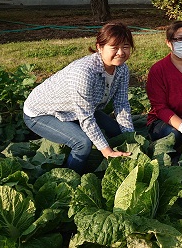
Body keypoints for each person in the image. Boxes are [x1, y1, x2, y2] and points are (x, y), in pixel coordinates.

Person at [22, 22, 135, 173]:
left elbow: (121, 104)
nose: (120, 52)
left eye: (125, 47)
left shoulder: (122, 69)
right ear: (99, 47)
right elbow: (87, 118)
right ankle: (71, 180)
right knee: (82, 143)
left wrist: (130, 137)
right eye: (114, 47)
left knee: (119, 133)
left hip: (76, 110)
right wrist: (107, 152)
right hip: (41, 113)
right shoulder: (84, 73)